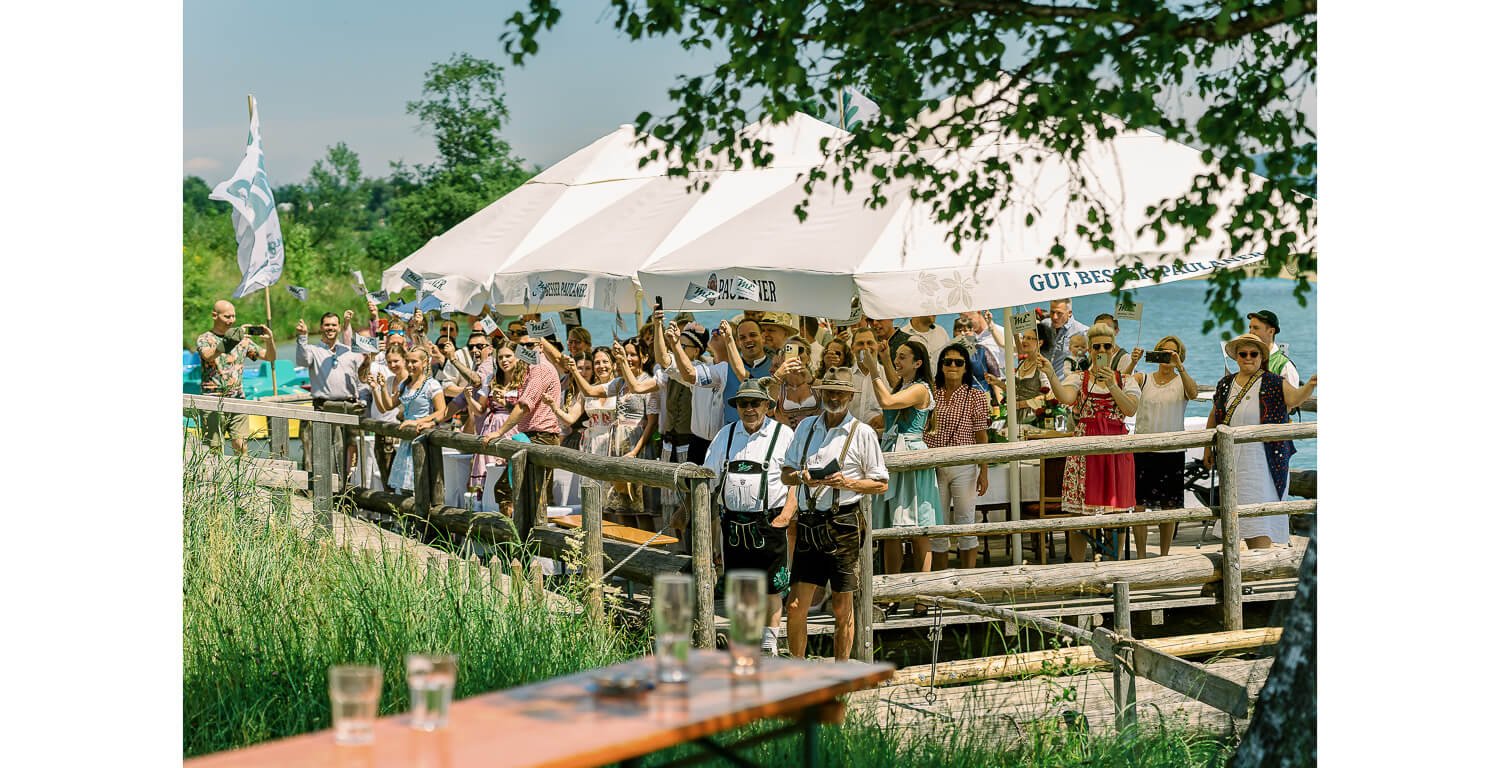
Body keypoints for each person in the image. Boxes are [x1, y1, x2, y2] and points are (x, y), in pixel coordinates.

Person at [780, 367, 889, 662]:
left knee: (842, 607)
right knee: (794, 606)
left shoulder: (863, 432)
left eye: (840, 392)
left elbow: (880, 483)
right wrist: (803, 477)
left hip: (844, 523)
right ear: (820, 393)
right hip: (810, 523)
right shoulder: (805, 429)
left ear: (850, 396)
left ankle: (841, 674)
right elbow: (785, 475)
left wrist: (848, 482)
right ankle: (798, 672)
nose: (835, 397)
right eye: (829, 391)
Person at [704, 377, 798, 656]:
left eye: (755, 403)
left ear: (767, 405)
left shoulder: (783, 434)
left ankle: (769, 645)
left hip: (769, 522)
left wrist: (786, 515)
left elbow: (796, 478)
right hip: (732, 523)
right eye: (744, 404)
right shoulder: (725, 434)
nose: (749, 409)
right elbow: (707, 479)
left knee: (772, 588)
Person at [1205, 333, 1318, 548]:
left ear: (1261, 357)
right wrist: (1206, 449)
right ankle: (1239, 569)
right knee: (1234, 512)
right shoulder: (1225, 384)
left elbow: (1294, 399)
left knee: (1260, 515)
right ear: (1236, 357)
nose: (1248, 357)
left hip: (1265, 460)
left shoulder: (1274, 382)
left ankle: (1260, 564)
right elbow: (1215, 414)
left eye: (1253, 354)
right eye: (1243, 354)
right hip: (1232, 459)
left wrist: (1310, 386)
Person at [1043, 322, 1140, 561]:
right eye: (1097, 346)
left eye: (1107, 346)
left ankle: (1112, 568)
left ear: (1113, 349)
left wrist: (1111, 385)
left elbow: (1129, 409)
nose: (1102, 351)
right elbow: (1065, 398)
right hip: (1086, 449)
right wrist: (1050, 374)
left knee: (1115, 518)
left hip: (1115, 448)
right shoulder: (1079, 378)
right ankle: (1078, 569)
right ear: (1090, 350)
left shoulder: (1126, 380)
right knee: (1080, 519)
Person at [863, 340, 941, 609]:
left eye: (903, 357)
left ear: (918, 363)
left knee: (919, 527)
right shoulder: (905, 384)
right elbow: (893, 383)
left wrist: (874, 370)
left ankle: (923, 596)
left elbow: (887, 400)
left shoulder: (920, 389)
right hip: (892, 452)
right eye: (897, 356)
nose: (898, 360)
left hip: (910, 453)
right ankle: (891, 593)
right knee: (889, 530)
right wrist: (884, 358)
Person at [1124, 336, 1199, 557]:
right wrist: (1133, 361)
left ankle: (1165, 555)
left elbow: (1193, 393)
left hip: (1171, 452)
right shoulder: (1143, 378)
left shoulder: (1181, 381)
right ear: (1156, 354)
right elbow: (1122, 383)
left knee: (1170, 508)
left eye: (1172, 353)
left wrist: (1180, 367)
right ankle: (1141, 555)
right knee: (1139, 507)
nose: (1167, 356)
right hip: (1144, 450)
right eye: (1163, 352)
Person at [927, 343, 991, 570]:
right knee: (938, 526)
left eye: (958, 362)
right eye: (947, 362)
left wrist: (984, 471)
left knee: (966, 524)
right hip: (933, 466)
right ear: (941, 366)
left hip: (964, 464)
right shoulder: (931, 393)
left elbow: (981, 435)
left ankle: (967, 582)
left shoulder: (976, 396)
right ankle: (942, 582)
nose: (952, 366)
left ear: (966, 367)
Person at [481, 334, 564, 508]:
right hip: (534, 435)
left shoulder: (539, 368)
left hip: (540, 437)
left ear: (541, 346)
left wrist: (499, 432)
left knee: (516, 491)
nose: (525, 349)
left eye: (530, 345)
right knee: (527, 492)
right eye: (521, 346)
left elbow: (525, 405)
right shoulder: (532, 369)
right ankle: (524, 533)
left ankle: (521, 534)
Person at [196, 299, 275, 455]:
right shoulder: (204, 338)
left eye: (233, 316)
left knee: (241, 446)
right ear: (214, 315)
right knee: (213, 450)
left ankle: (242, 479)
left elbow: (269, 357)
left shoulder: (243, 340)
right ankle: (214, 480)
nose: (231, 320)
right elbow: (208, 356)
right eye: (227, 316)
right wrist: (226, 344)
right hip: (212, 400)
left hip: (238, 398)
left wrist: (270, 340)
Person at [297, 313, 367, 482]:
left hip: (349, 407)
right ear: (321, 327)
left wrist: (363, 398)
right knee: (322, 450)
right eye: (327, 325)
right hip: (324, 406)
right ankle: (322, 486)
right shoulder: (314, 350)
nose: (330, 328)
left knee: (350, 449)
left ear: (339, 327)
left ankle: (348, 485)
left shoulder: (349, 351)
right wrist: (302, 337)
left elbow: (360, 377)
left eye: (334, 325)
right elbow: (302, 360)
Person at [372, 345, 447, 494]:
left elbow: (442, 412)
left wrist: (418, 421)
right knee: (406, 487)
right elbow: (389, 406)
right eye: (408, 361)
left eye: (414, 362)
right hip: (407, 439)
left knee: (422, 484)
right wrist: (381, 387)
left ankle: (421, 516)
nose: (410, 365)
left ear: (425, 363)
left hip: (423, 437)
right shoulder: (405, 384)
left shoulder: (432, 385)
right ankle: (408, 516)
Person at [467, 342, 530, 514]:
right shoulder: (493, 379)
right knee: (490, 475)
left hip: (513, 428)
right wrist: (468, 398)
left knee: (508, 476)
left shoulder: (524, 380)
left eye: (508, 356)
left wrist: (506, 403)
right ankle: (488, 512)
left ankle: (513, 514)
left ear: (517, 357)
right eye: (500, 357)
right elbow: (480, 410)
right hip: (491, 426)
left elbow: (524, 411)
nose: (504, 360)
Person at [768, 336, 822, 427]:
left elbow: (830, 396)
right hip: (786, 437)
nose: (795, 354)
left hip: (813, 435)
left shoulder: (816, 383)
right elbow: (768, 409)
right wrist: (778, 377)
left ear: (808, 358)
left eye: (799, 350)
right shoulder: (777, 384)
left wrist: (812, 380)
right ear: (782, 357)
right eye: (790, 350)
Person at [1247, 310, 1300, 386]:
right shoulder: (1247, 359)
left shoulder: (1285, 366)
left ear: (1271, 331)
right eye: (1250, 327)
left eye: (1256, 328)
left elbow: (1293, 397)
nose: (1251, 332)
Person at [1044, 298, 1090, 372]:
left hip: (1065, 382)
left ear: (1069, 313)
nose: (1055, 317)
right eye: (1052, 312)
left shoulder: (1083, 331)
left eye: (1059, 313)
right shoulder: (1045, 325)